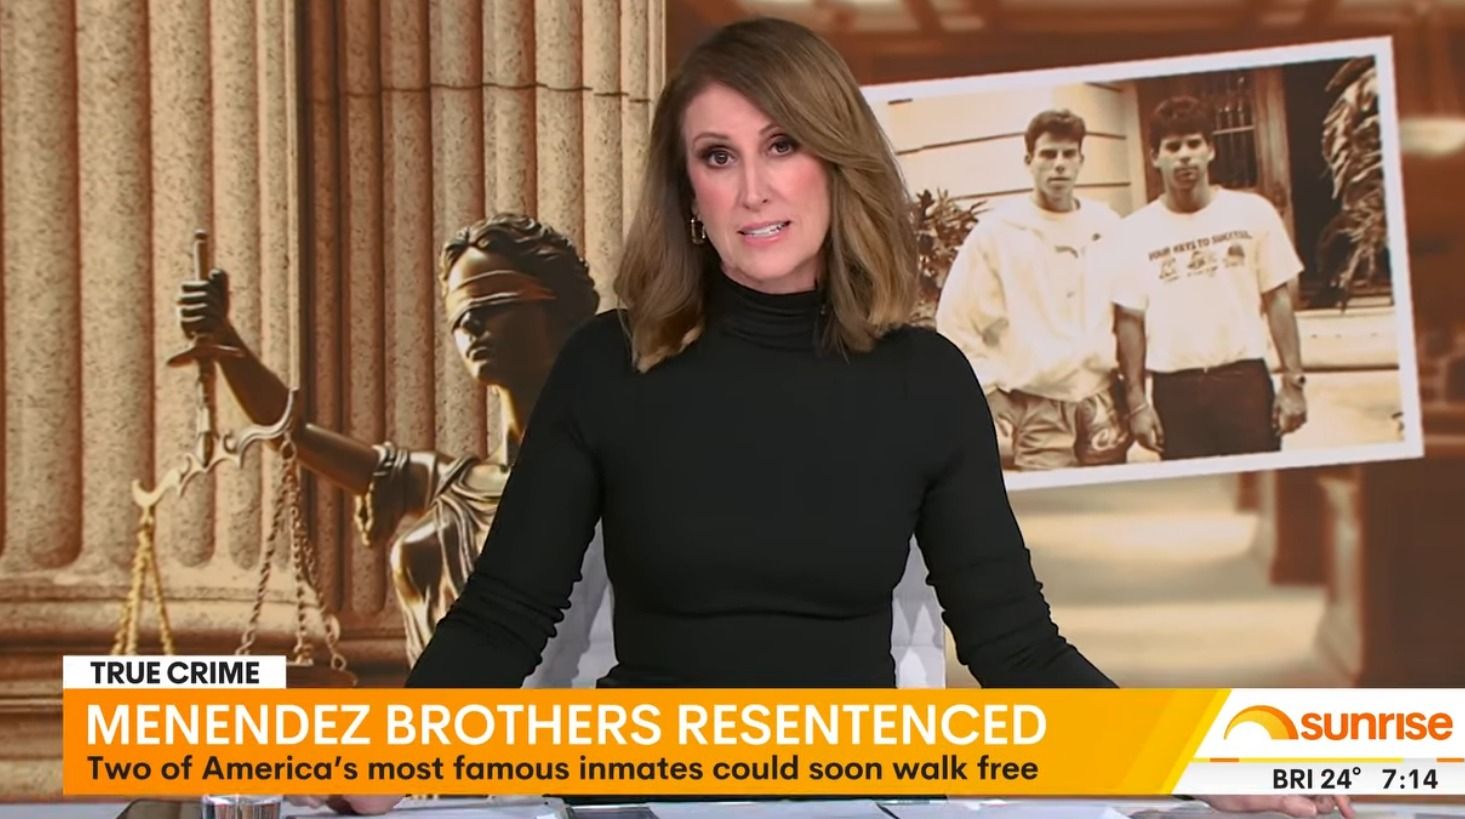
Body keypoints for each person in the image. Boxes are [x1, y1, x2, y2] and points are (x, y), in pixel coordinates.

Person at [310, 19, 1351, 818]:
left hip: (858, 789)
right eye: (717, 155)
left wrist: (1194, 762)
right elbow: (503, 616)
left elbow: (1016, 646)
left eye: (782, 145)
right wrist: (384, 760)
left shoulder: (925, 381)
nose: (753, 189)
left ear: (835, 160)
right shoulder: (607, 366)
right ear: (686, 190)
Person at [176, 212, 613, 683]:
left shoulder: (619, 479)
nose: (471, 325)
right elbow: (292, 433)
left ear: (562, 312)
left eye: (493, 303)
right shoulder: (447, 484)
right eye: (459, 315)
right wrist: (225, 339)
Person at [1109, 95, 1309, 461]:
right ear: (1155, 157)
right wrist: (1137, 402)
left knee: (1261, 487)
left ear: (1210, 150)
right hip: (1176, 390)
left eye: (1193, 144)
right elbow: (1128, 321)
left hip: (1244, 382)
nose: (1185, 156)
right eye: (1172, 147)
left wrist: (1293, 383)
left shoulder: (1252, 212)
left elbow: (1277, 298)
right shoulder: (1134, 231)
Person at [935, 108, 1133, 471]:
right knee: (1053, 502)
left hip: (1101, 399)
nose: (1059, 165)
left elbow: (1129, 309)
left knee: (1110, 498)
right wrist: (988, 390)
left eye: (1068, 154)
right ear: (1029, 161)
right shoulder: (999, 232)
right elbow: (955, 320)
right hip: (1039, 405)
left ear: (1081, 160)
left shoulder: (1106, 224)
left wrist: (1134, 395)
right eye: (1048, 154)